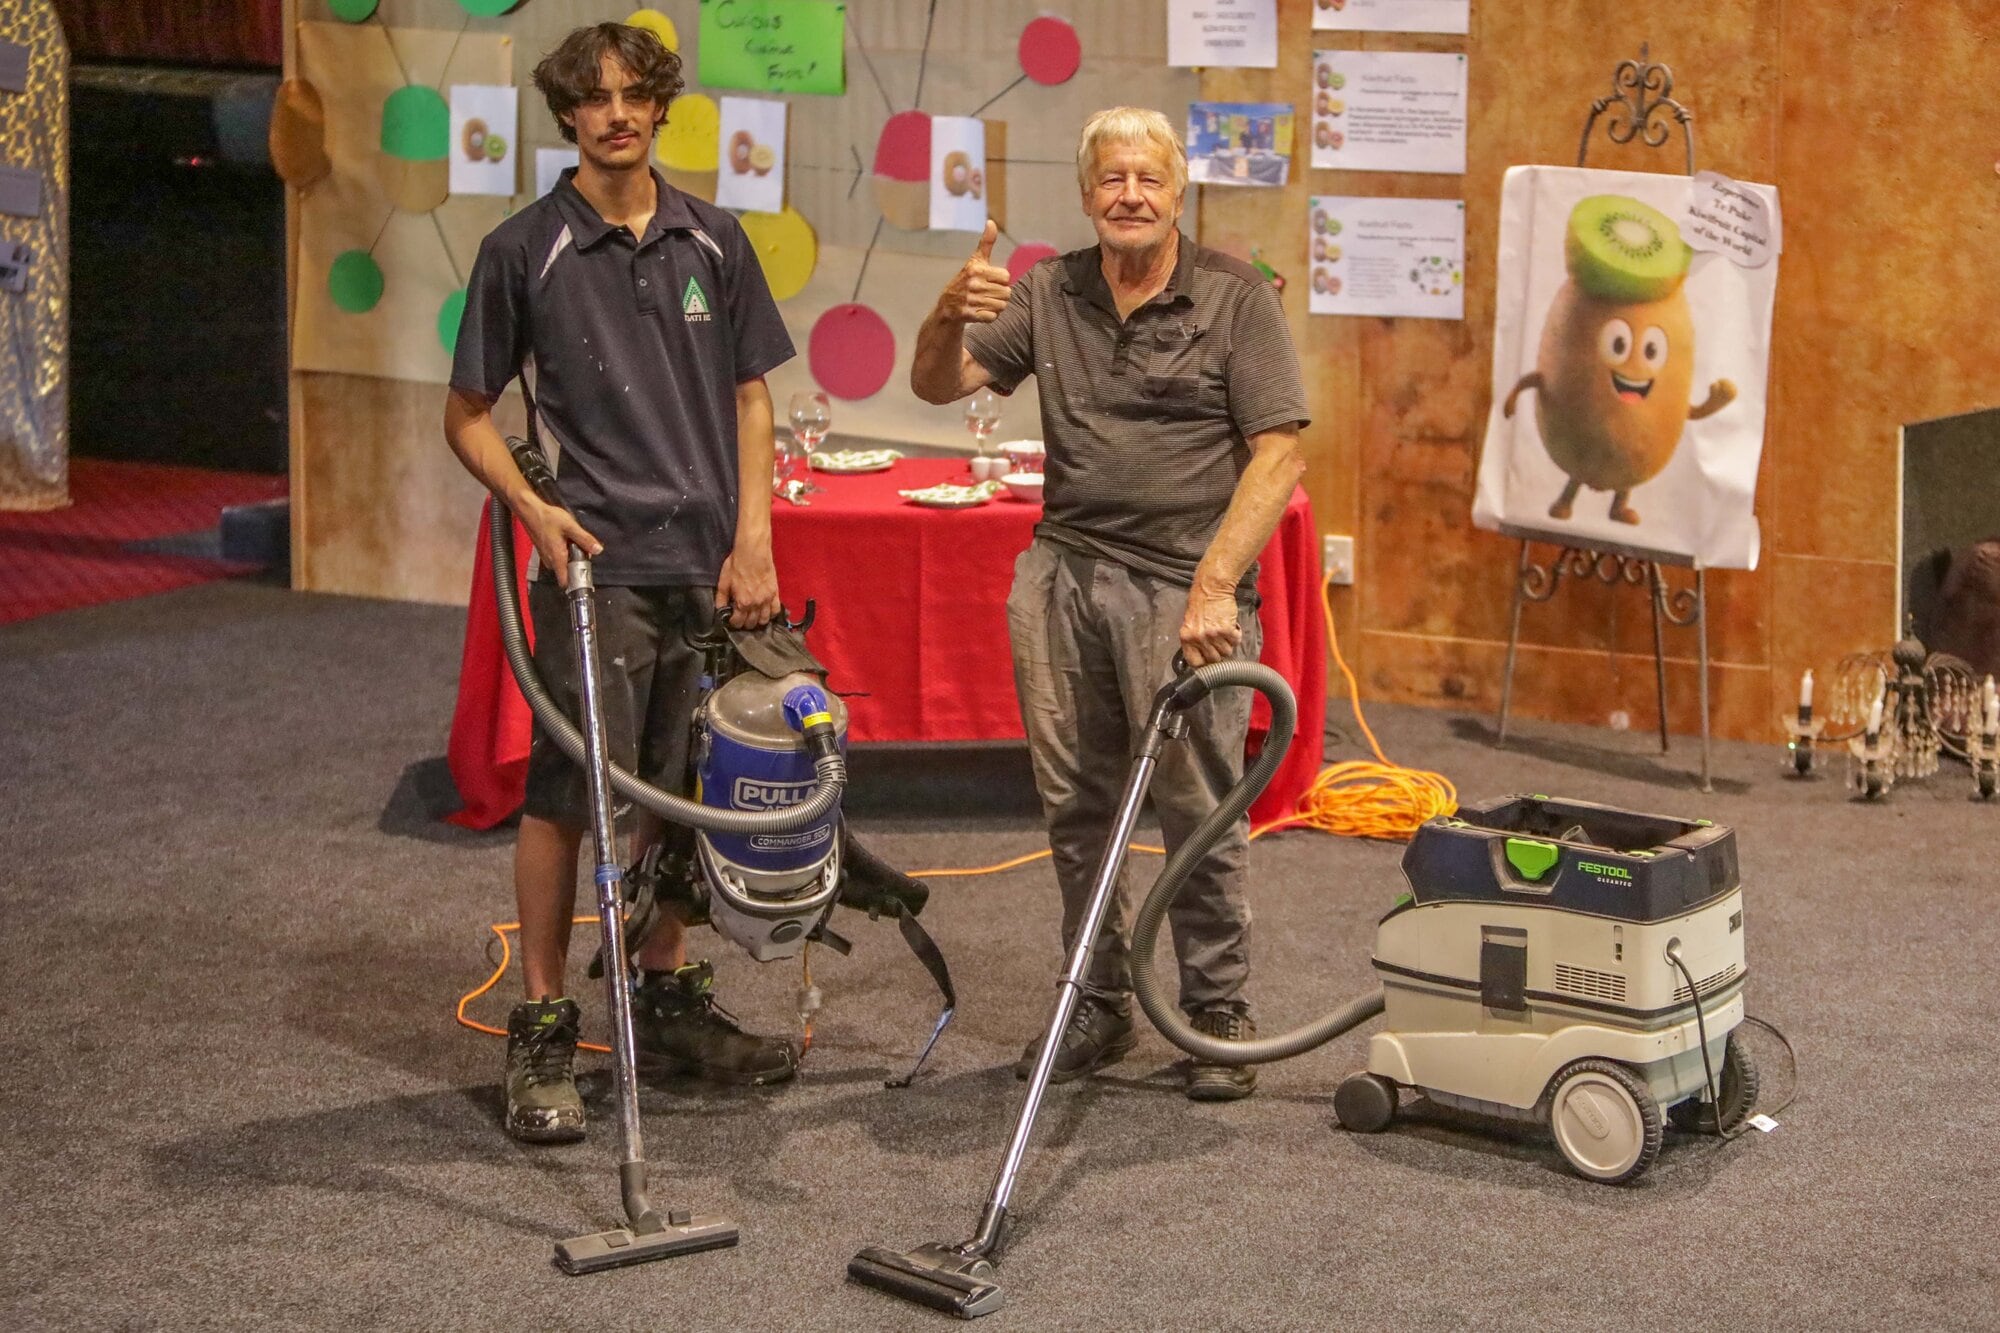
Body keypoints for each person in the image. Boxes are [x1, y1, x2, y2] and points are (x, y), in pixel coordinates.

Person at [443, 22, 799, 1144]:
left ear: (659, 107)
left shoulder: (714, 239)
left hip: (711, 566)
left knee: (684, 791)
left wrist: (755, 538)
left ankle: (663, 996)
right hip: (596, 570)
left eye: (634, 95)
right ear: (567, 118)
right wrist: (536, 509)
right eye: (593, 99)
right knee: (571, 793)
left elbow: (751, 396)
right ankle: (545, 1020)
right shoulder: (523, 250)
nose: (615, 114)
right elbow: (465, 415)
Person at [910, 107, 1308, 1101]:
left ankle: (1212, 1007)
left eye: (1148, 179)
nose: (1129, 195)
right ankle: (1095, 997)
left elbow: (1279, 452)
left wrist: (1215, 582)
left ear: (1177, 193)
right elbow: (937, 384)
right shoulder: (1049, 290)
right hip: (1064, 576)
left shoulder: (1233, 298)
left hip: (1186, 588)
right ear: (1086, 194)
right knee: (1077, 801)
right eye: (1110, 179)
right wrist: (943, 310)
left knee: (1194, 802)